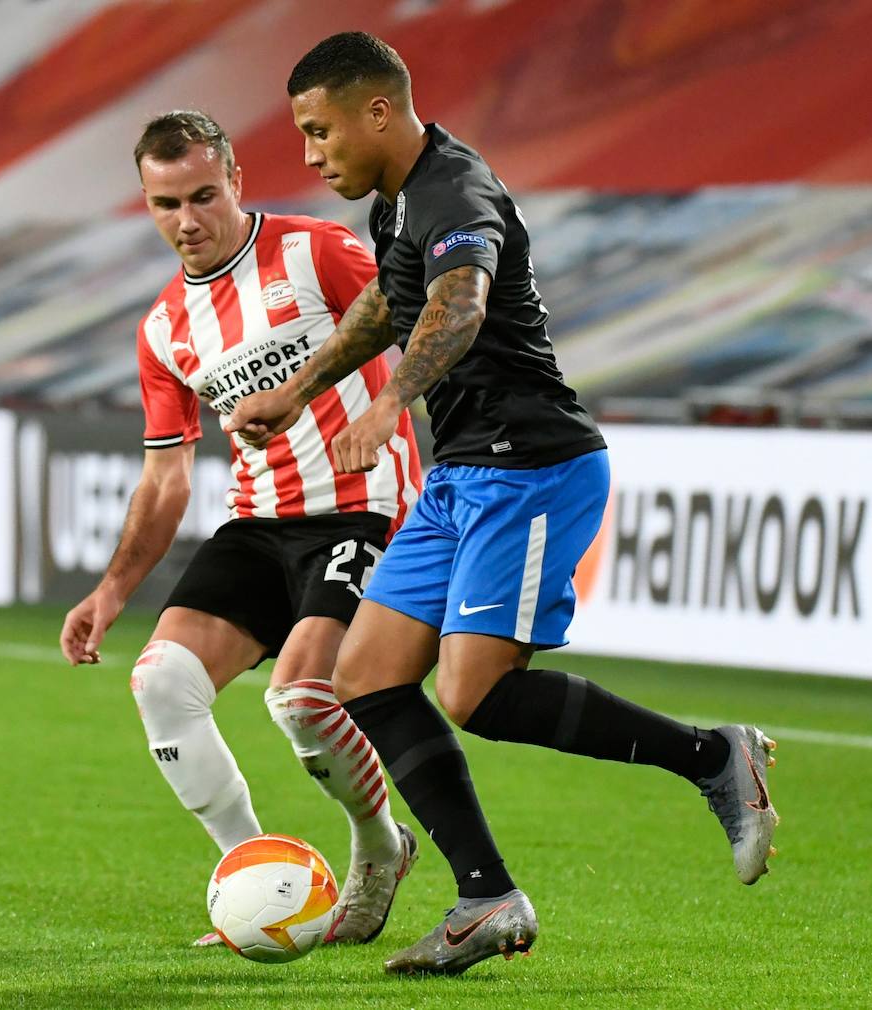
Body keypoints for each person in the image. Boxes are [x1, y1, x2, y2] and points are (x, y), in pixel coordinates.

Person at [229, 33, 779, 975]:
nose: (312, 156)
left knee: (471, 693)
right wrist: (306, 385)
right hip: (464, 477)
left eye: (320, 132)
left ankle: (714, 758)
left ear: (378, 111)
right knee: (362, 679)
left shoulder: (454, 191)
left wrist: (394, 402)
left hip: (532, 468)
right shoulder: (398, 202)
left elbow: (461, 304)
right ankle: (486, 897)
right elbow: (395, 305)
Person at [59, 111, 424, 947]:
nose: (186, 221)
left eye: (202, 196)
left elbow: (421, 320)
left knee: (299, 698)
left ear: (236, 183)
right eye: (164, 204)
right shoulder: (164, 330)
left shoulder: (316, 251)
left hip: (362, 506)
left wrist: (397, 408)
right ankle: (258, 878)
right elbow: (166, 475)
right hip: (261, 523)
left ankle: (380, 846)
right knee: (159, 684)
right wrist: (113, 589)